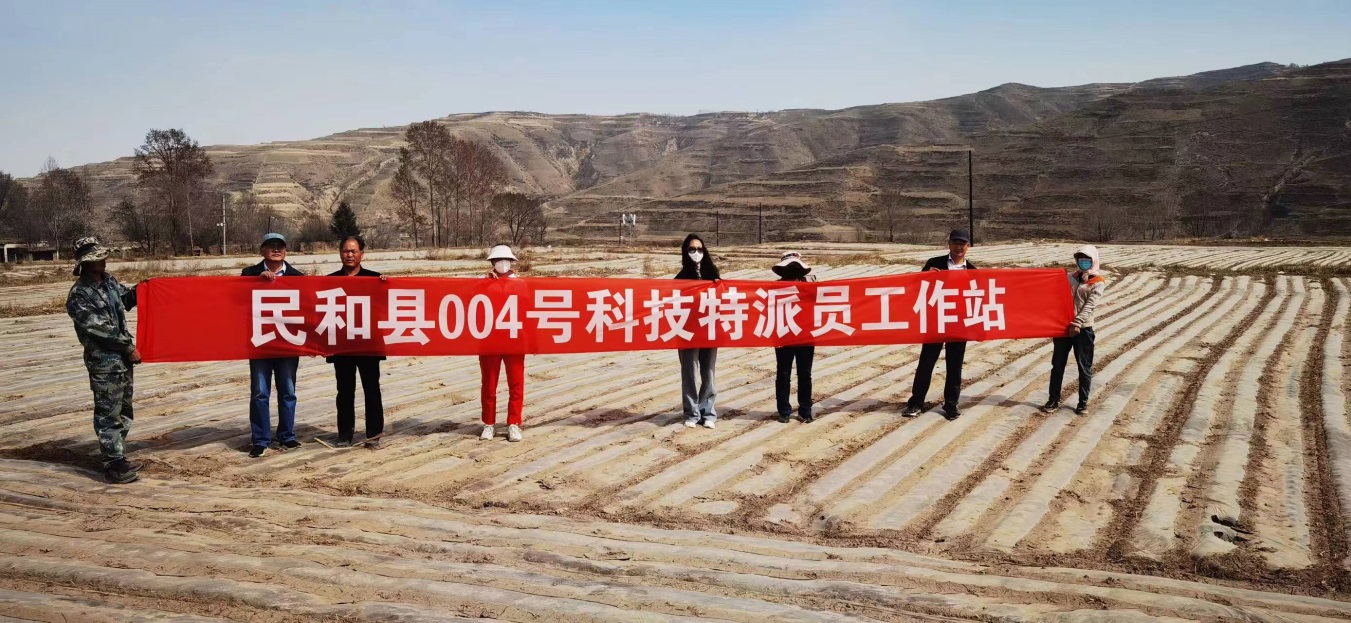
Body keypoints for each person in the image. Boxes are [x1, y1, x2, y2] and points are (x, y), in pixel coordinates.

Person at [66, 237, 144, 483]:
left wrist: (144, 290)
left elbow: (126, 300)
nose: (103, 261)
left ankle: (119, 456)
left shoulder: (109, 282)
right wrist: (128, 347)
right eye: (97, 258)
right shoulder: (79, 295)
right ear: (85, 263)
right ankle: (112, 464)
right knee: (108, 413)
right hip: (104, 363)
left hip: (122, 361)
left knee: (124, 410)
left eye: (103, 257)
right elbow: (99, 329)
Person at [902, 228, 977, 421]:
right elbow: (916, 287)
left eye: (962, 244)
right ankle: (916, 402)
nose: (958, 247)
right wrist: (925, 276)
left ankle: (951, 404)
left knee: (955, 365)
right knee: (926, 363)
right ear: (949, 244)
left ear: (968, 246)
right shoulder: (934, 264)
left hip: (959, 323)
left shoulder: (973, 271)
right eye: (955, 243)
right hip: (935, 321)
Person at [241, 233, 304, 458]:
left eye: (280, 246)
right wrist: (256, 281)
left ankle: (286, 435)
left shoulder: (298, 277)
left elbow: (307, 309)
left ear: (286, 251)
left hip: (287, 343)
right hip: (260, 343)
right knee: (260, 392)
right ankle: (260, 439)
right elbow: (236, 300)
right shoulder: (249, 274)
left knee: (288, 391)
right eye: (271, 246)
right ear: (262, 250)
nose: (276, 250)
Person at [327, 235, 388, 448]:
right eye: (346, 251)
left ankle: (374, 435)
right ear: (340, 253)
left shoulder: (375, 278)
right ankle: (345, 434)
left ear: (362, 253)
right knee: (344, 391)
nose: (349, 255)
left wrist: (386, 286)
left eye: (354, 251)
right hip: (342, 344)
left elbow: (387, 306)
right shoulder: (329, 281)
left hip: (368, 344)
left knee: (372, 389)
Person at [1043, 246, 1105, 415]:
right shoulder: (1068, 278)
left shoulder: (1098, 282)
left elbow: (1090, 305)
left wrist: (1077, 322)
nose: (1083, 262)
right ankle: (1053, 399)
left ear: (1093, 260)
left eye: (1087, 259)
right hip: (1063, 329)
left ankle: (1082, 403)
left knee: (1084, 366)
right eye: (1080, 258)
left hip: (1083, 330)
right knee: (1057, 365)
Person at [479, 244, 526, 442]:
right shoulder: (483, 282)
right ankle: (488, 423)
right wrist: (486, 283)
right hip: (489, 340)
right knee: (489, 384)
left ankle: (513, 423)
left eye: (505, 260)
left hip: (515, 340)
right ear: (492, 263)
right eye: (497, 260)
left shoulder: (521, 283)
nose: (502, 264)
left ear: (512, 262)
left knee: (516, 383)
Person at [676, 233, 721, 428]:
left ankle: (708, 413)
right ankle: (691, 413)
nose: (696, 252)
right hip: (687, 332)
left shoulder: (713, 274)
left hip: (709, 330)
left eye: (700, 249)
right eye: (692, 249)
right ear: (686, 252)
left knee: (708, 373)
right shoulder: (680, 278)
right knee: (690, 374)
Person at [773, 251, 816, 423]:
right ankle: (784, 411)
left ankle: (805, 410)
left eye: (795, 268)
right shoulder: (774, 287)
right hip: (783, 334)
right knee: (783, 373)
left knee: (805, 374)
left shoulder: (811, 285)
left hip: (806, 335)